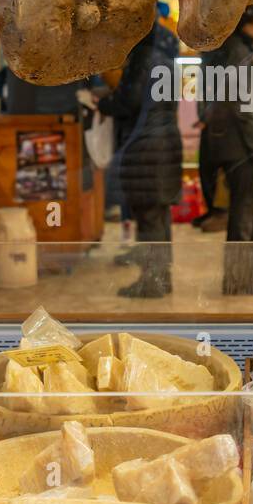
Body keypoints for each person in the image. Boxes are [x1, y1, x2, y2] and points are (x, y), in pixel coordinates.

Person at [97, 20, 184, 298]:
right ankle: (162, 275)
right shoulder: (167, 62)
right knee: (158, 214)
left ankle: (152, 280)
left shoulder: (144, 61)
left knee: (148, 215)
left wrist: (104, 103)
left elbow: (129, 102)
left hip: (145, 147)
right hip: (166, 143)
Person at [201, 1, 253, 295]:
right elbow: (246, 108)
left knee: (249, 206)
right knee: (242, 214)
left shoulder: (222, 50)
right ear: (247, 24)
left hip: (222, 141)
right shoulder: (240, 54)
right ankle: (237, 282)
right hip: (239, 144)